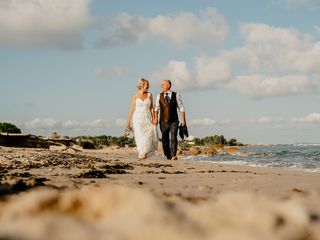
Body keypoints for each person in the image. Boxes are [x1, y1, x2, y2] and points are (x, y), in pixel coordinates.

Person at [154, 80, 186, 160]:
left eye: (163, 84)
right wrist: (155, 118)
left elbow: (181, 108)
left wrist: (183, 121)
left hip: (174, 121)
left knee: (174, 137)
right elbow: (156, 108)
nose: (161, 86)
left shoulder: (176, 95)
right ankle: (168, 155)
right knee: (165, 139)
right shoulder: (159, 96)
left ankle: (173, 155)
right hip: (163, 121)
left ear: (168, 85)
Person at [127, 78, 158, 159]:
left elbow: (151, 107)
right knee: (139, 135)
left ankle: (146, 151)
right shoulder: (135, 95)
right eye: (146, 84)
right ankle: (142, 153)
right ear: (142, 85)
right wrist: (128, 121)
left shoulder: (150, 95)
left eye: (148, 84)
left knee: (148, 134)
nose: (148, 86)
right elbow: (131, 109)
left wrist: (154, 117)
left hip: (147, 118)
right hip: (137, 118)